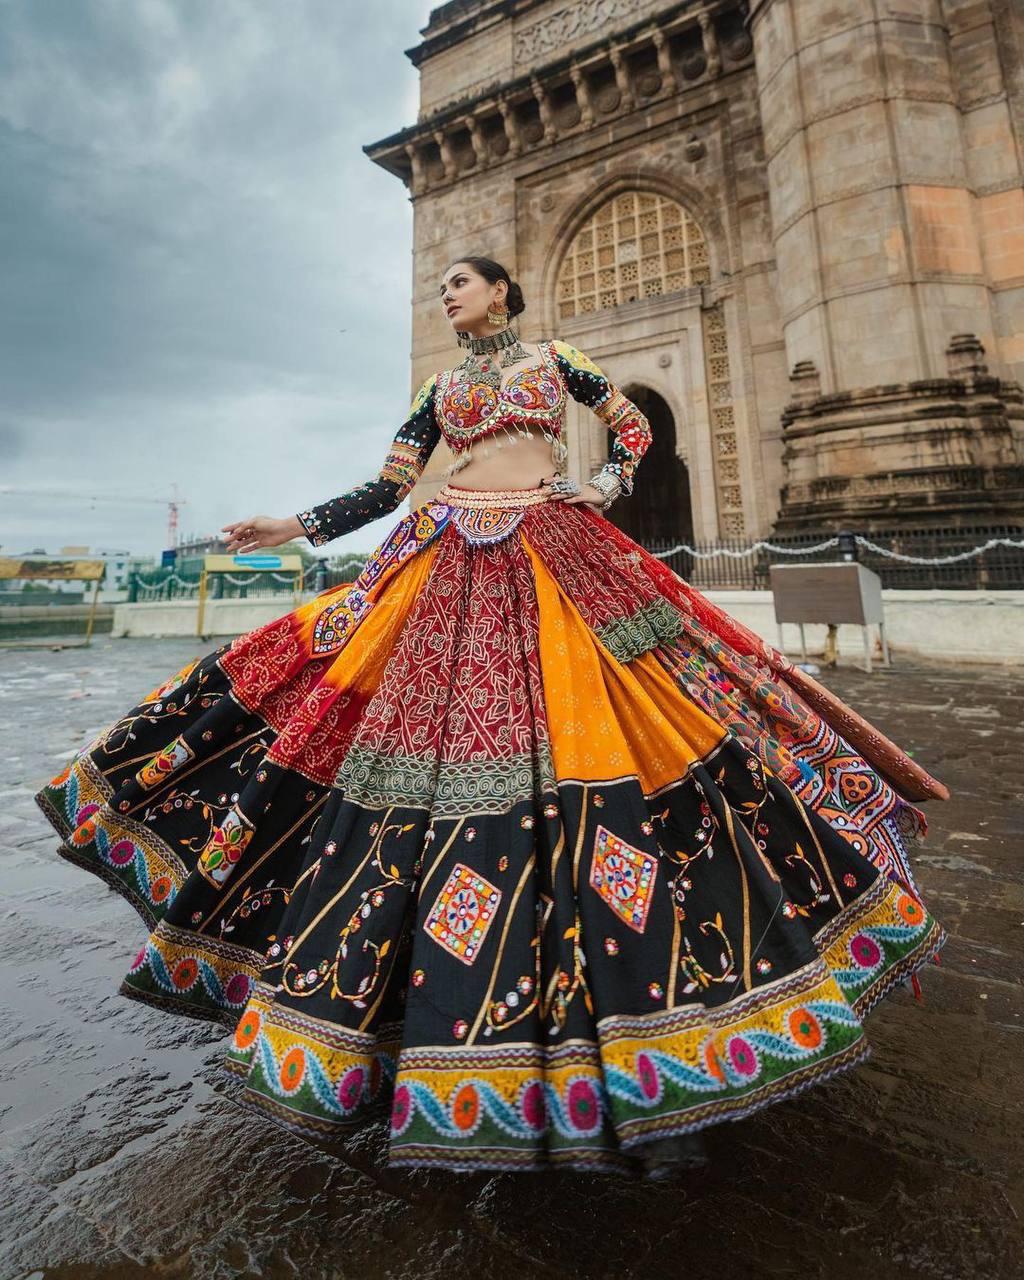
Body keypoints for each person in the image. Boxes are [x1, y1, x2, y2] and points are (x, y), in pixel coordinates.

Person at [35, 256, 949, 1178]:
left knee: (619, 718)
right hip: (446, 555)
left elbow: (630, 425)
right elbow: (388, 487)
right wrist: (291, 526)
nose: (448, 295)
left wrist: (607, 485)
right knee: (362, 712)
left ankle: (640, 1020)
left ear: (502, 293)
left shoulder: (557, 360)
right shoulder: (438, 391)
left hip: (552, 547)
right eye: (442, 288)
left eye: (462, 283)